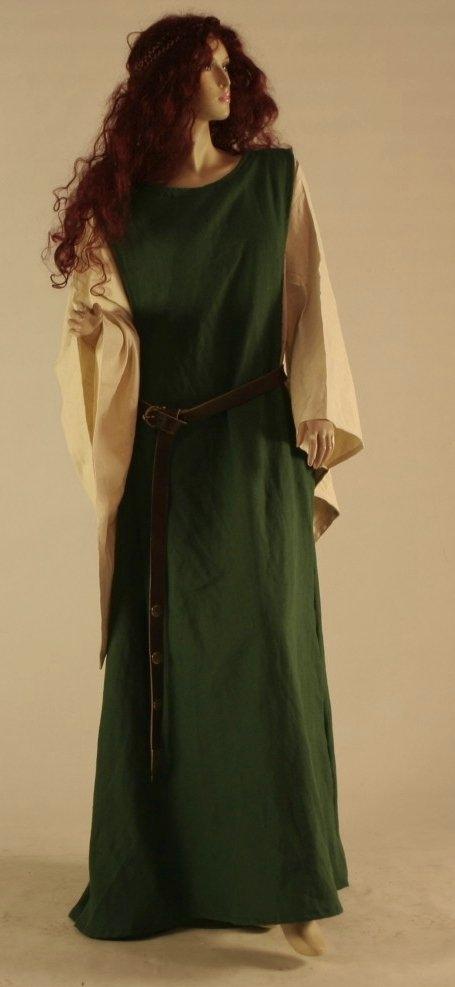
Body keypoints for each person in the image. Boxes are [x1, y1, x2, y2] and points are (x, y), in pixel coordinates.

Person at [47, 12, 364, 957]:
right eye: (210, 67)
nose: (229, 81)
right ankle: (161, 874)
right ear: (169, 84)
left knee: (265, 661)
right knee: (164, 664)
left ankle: (289, 884)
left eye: (230, 66)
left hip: (253, 451)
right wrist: (99, 327)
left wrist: (317, 405)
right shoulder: (120, 207)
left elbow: (311, 300)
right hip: (161, 461)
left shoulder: (273, 184)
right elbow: (97, 339)